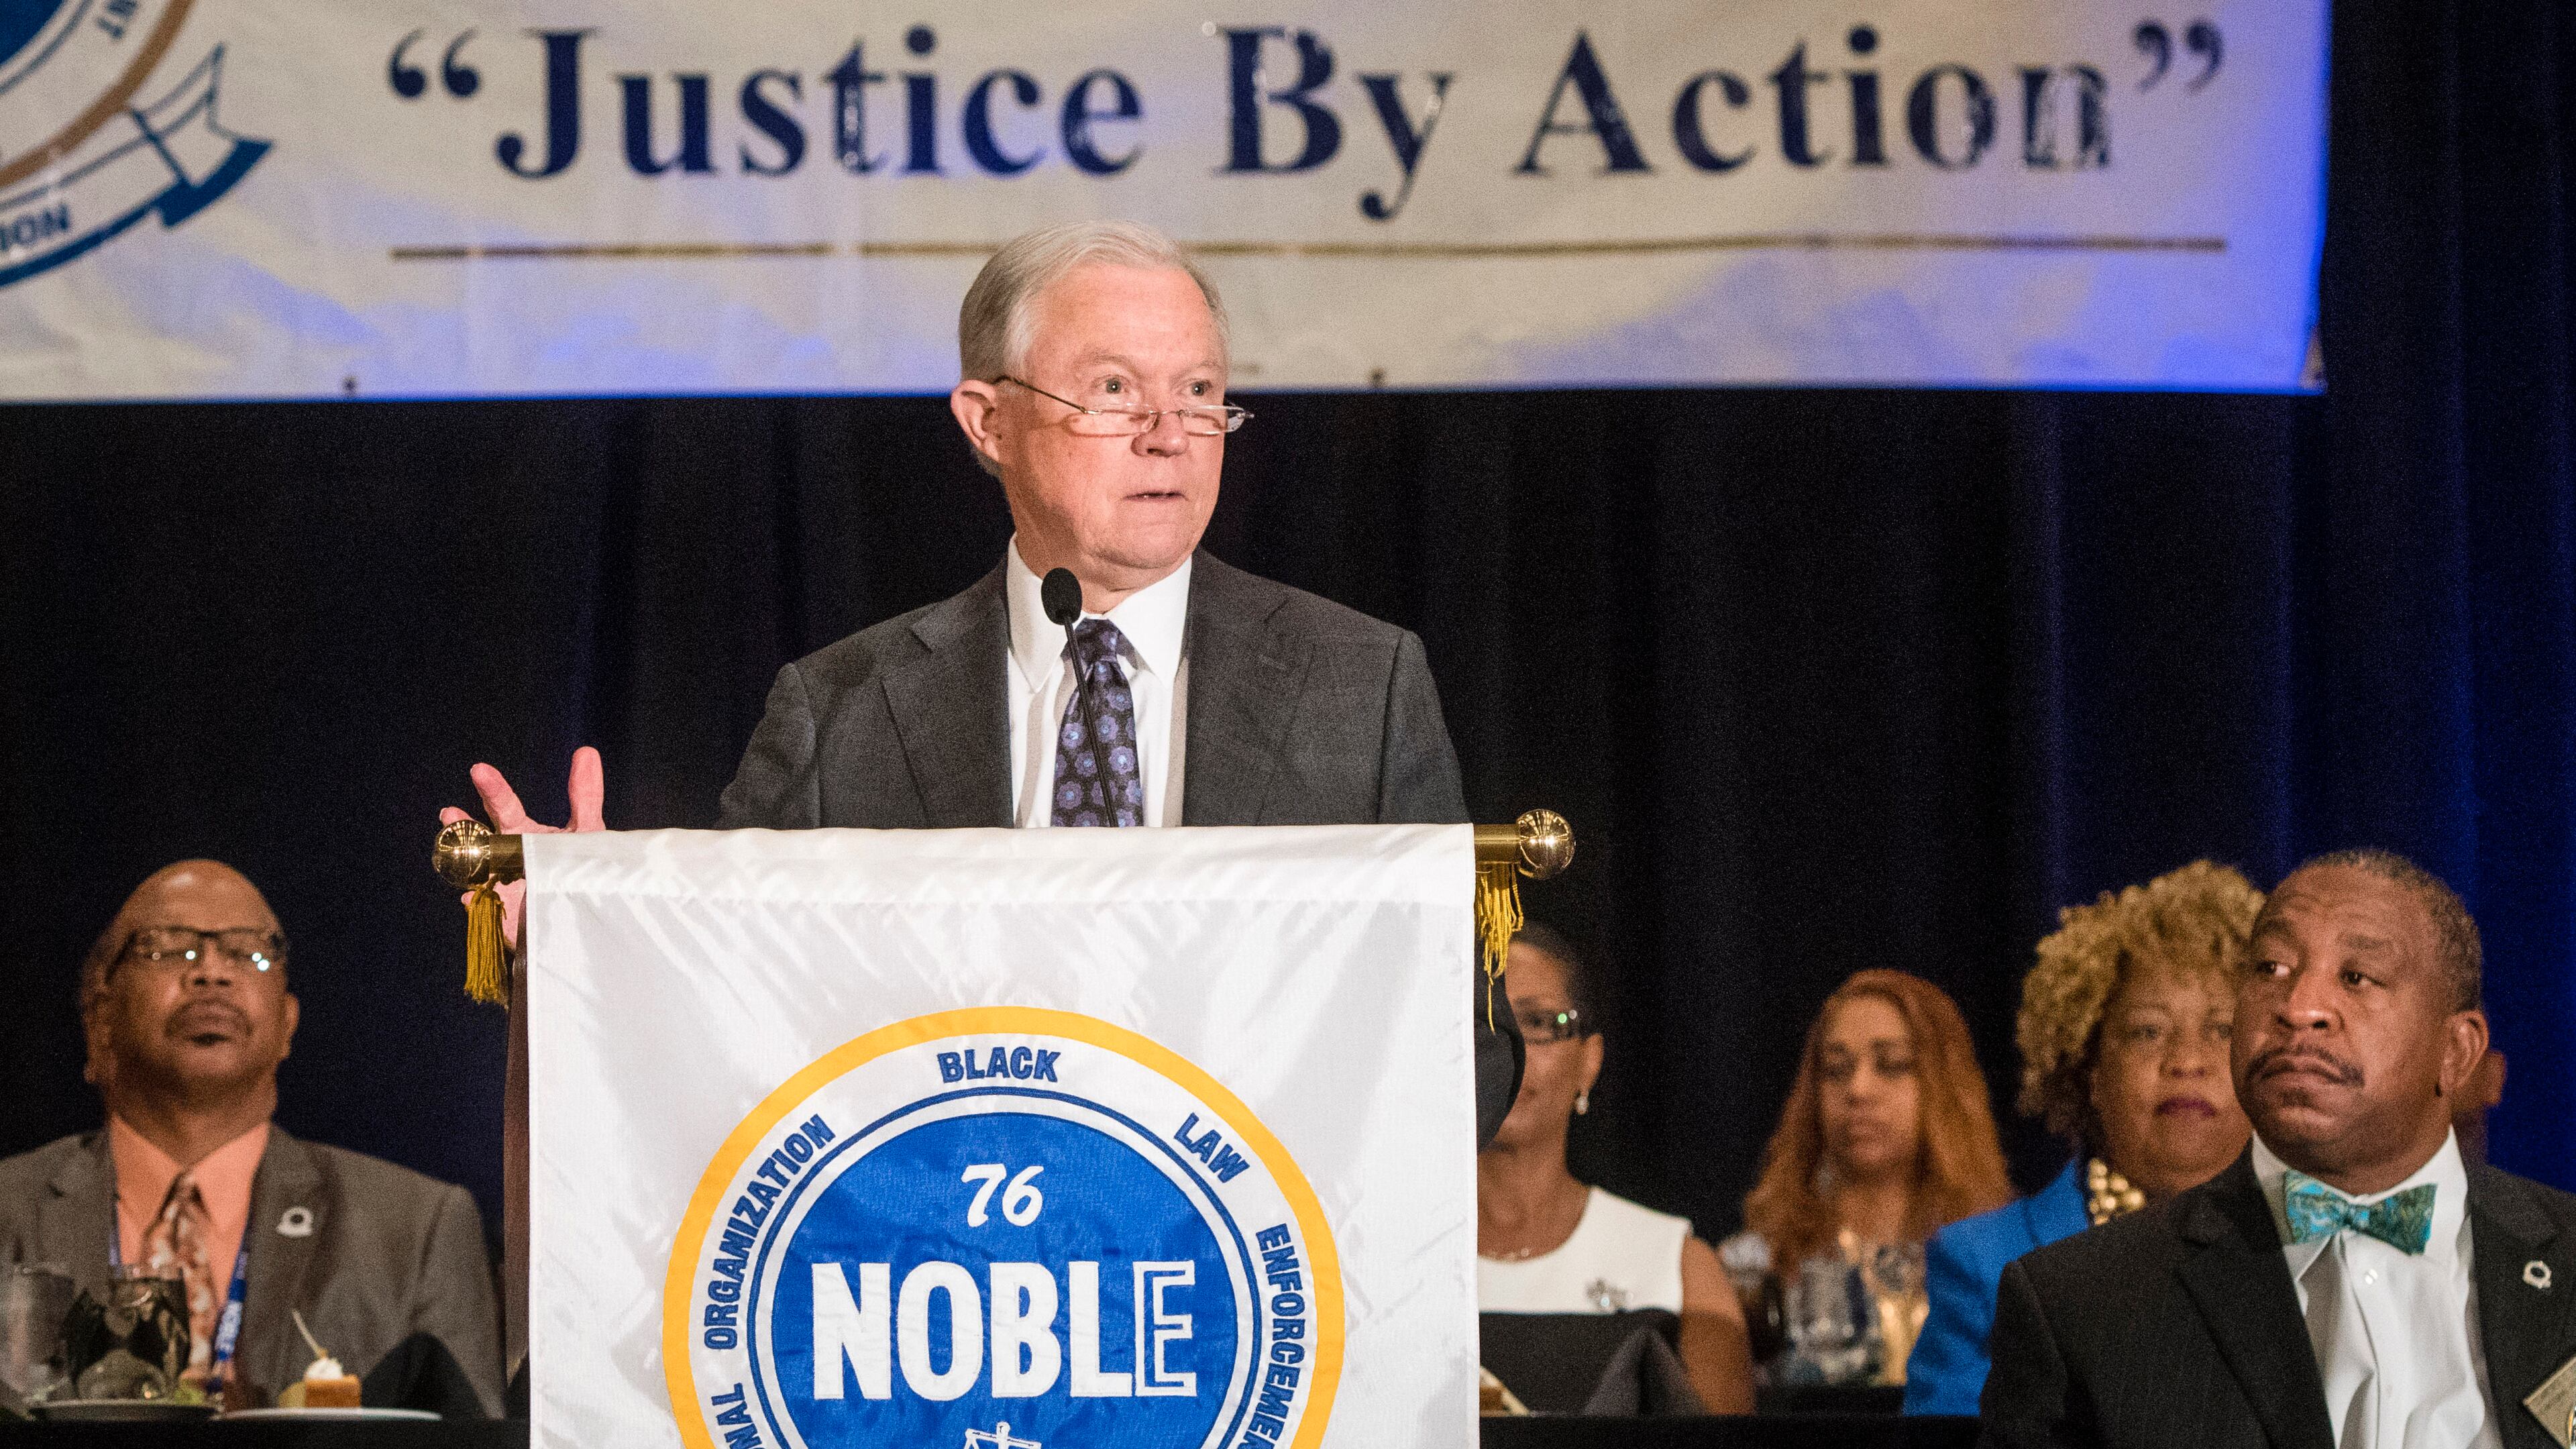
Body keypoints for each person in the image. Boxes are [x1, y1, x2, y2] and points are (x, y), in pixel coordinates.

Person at [442, 219, 1521, 1371]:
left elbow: (1471, 1043)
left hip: (1251, 1322)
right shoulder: (841, 707)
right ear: (988, 421)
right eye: (1114, 390)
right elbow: (736, 1026)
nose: (1171, 435)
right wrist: (600, 939)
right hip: (926, 1341)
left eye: (1202, 393)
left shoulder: (1358, 685)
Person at [1980, 850, 2576, 1449]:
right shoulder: (2080, 1306)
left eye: (2356, 977)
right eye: (2270, 968)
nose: (2299, 1009)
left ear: (2457, 1051)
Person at [0, 862, 501, 1415]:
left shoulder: (414, 1228)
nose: (212, 972)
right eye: (167, 948)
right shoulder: (11, 1210)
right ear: (101, 1017)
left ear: (287, 1024)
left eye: (249, 952)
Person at [1903, 861, 2260, 1415]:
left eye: (2223, 1030)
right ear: (2090, 1071)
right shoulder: (1983, 1262)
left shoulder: (2313, 1242)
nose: (2187, 1061)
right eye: (2148, 1031)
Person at [1477, 925, 1755, 1413]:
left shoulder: (1677, 1266)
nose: (1512, 1051)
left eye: (1539, 1022)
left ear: (1590, 1060)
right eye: (1485, 1025)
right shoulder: (1390, 1266)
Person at [1727, 970, 2013, 1385]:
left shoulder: (2002, 1264)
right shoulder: (1754, 1268)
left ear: (1944, 1086)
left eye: (1892, 1066)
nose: (1858, 1089)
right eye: (1836, 1069)